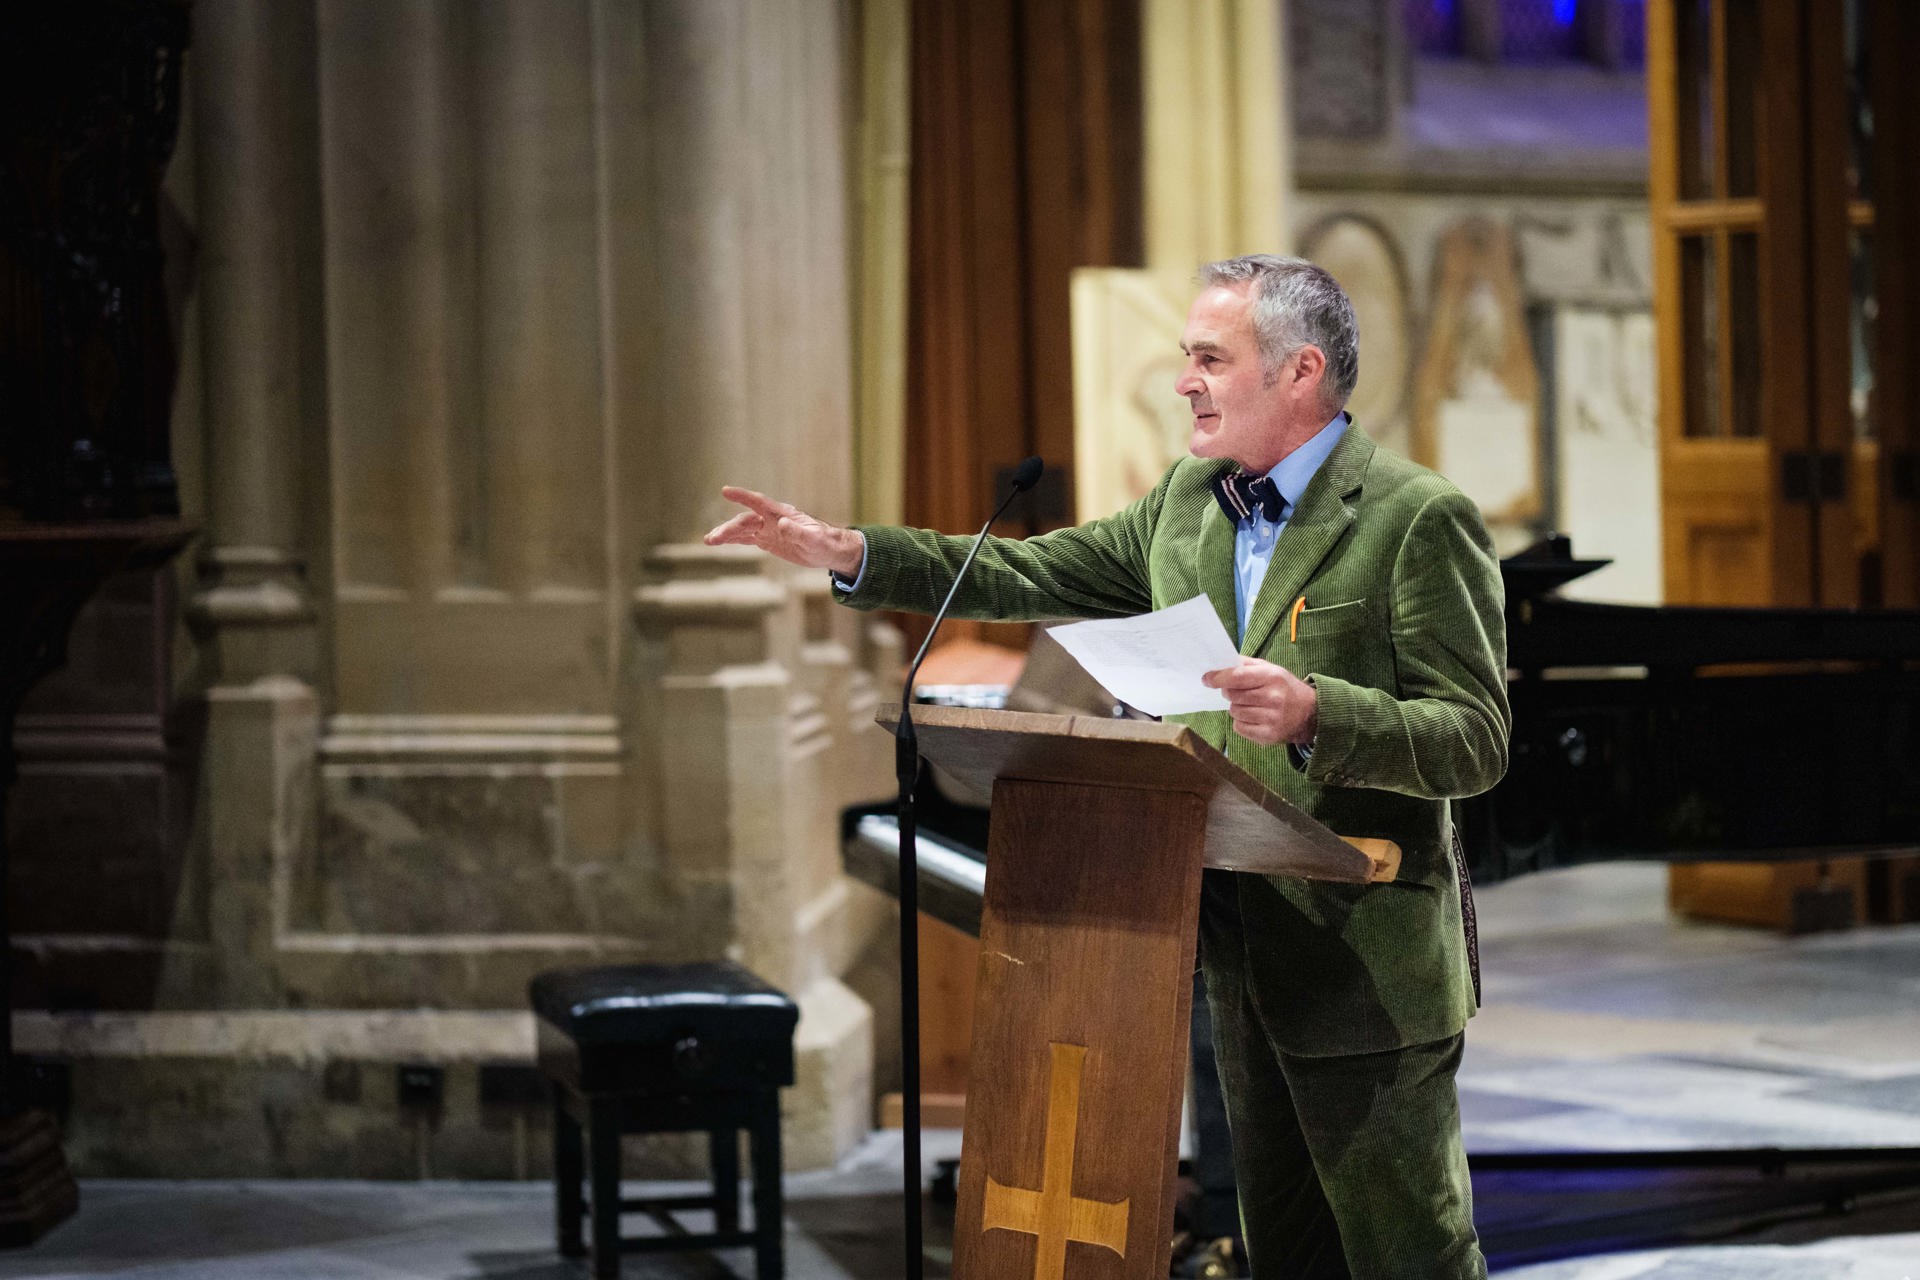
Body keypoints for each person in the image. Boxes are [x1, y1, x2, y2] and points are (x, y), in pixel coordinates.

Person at [706, 255, 1509, 1279]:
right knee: (1286, 1258)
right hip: (1237, 953)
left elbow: (1476, 738)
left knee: (1411, 1260)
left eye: (1210, 359)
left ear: (1301, 371)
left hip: (1366, 966)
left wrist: (1319, 713)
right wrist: (853, 553)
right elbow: (1023, 571)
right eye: (1188, 357)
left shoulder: (1416, 517)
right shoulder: (1189, 501)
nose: (1184, 381)